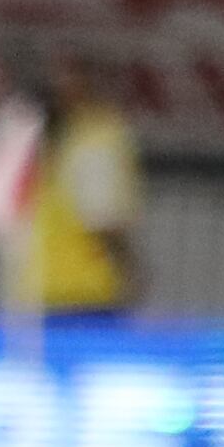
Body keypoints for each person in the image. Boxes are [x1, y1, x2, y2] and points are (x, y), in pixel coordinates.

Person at [25, 55, 141, 321]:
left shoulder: (55, 140)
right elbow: (102, 216)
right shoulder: (96, 138)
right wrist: (129, 270)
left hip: (46, 286)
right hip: (89, 290)